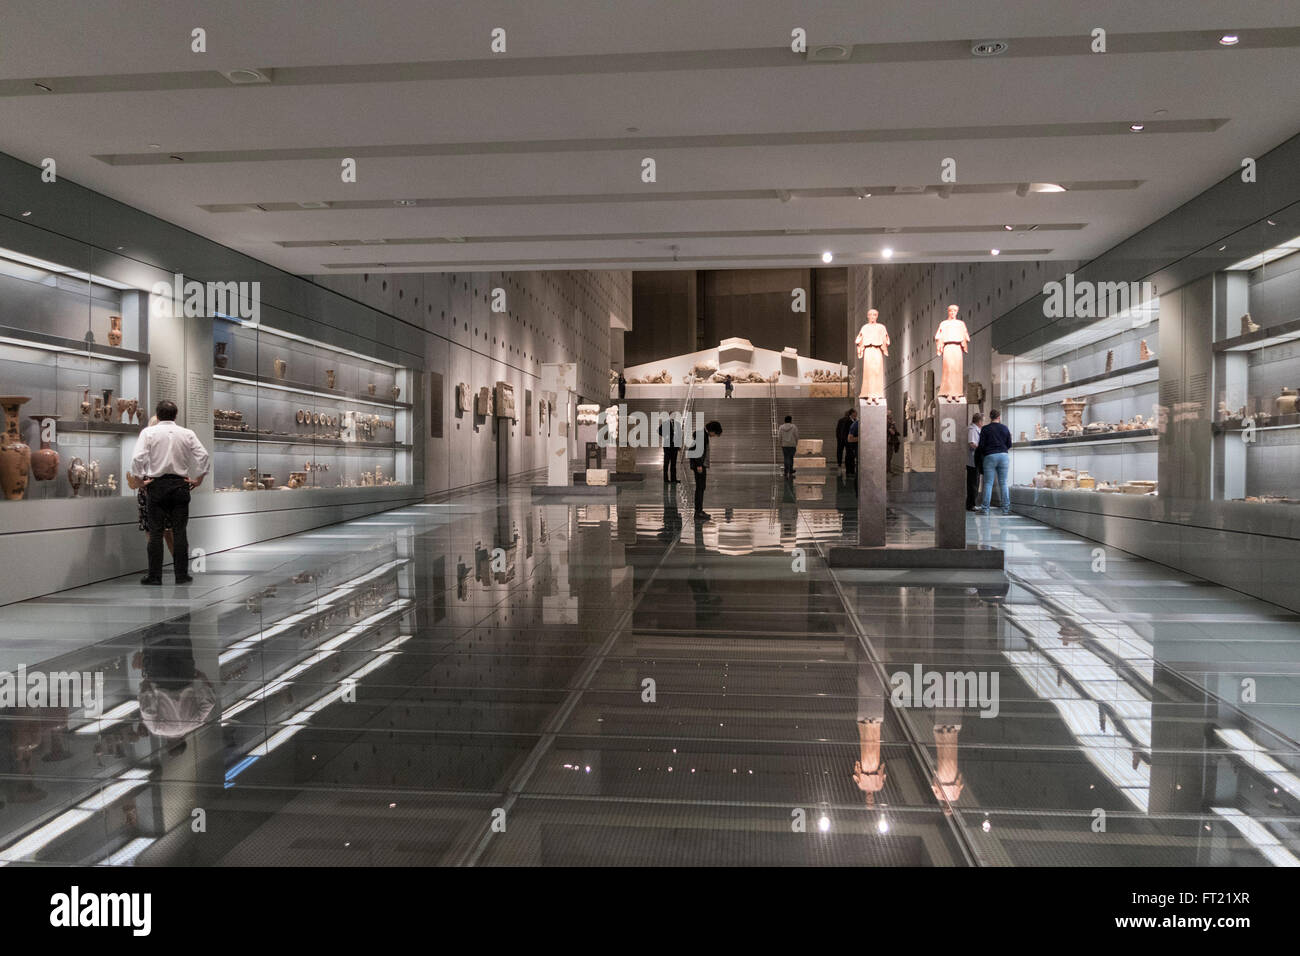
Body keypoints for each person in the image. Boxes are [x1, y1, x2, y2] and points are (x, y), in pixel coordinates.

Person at [130, 400, 210, 585]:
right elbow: (203, 456)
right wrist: (199, 479)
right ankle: (181, 575)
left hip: (156, 485)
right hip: (180, 484)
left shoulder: (148, 432)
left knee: (156, 532)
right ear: (176, 415)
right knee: (179, 531)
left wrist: (140, 479)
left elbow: (137, 458)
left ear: (157, 416)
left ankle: (154, 576)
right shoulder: (187, 433)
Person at [126, 416, 174, 557]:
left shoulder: (146, 442)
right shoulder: (167, 444)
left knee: (154, 533)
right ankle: (179, 567)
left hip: (150, 489)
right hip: (163, 488)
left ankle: (155, 570)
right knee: (166, 531)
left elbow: (136, 464)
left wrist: (140, 481)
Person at [974, 408, 1013, 515]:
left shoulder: (985, 429)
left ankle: (985, 509)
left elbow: (981, 446)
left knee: (988, 483)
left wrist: (986, 452)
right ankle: (1006, 509)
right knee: (1003, 483)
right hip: (1004, 456)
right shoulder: (1005, 428)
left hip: (990, 456)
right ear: (999, 417)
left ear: (990, 417)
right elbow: (1009, 444)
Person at [689, 420, 723, 520]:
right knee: (700, 487)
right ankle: (698, 512)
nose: (714, 436)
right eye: (715, 433)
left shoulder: (702, 434)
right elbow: (696, 450)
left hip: (700, 464)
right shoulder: (701, 435)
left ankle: (699, 510)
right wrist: (699, 465)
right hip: (699, 465)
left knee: (701, 487)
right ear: (712, 430)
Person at [966, 411, 983, 511]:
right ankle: (971, 504)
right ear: (979, 421)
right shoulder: (972, 430)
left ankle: (971, 503)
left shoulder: (974, 429)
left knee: (974, 482)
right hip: (973, 460)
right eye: (982, 421)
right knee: (973, 482)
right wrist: (980, 449)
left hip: (974, 459)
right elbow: (972, 443)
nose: (983, 423)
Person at [660, 412, 680, 483]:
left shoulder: (677, 424)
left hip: (675, 447)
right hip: (667, 447)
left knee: (673, 464)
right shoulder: (665, 423)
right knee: (666, 463)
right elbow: (659, 431)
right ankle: (666, 479)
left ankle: (673, 479)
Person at [843, 409, 860, 476]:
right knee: (848, 456)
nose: (856, 414)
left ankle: (852, 470)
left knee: (852, 456)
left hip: (854, 442)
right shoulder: (847, 421)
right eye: (855, 413)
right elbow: (845, 432)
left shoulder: (855, 421)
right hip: (849, 441)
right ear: (852, 413)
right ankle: (848, 470)